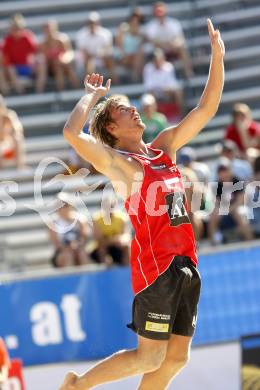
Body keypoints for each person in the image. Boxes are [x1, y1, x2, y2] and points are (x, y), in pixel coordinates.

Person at [60, 19, 224, 390]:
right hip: (157, 267)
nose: (134, 111)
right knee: (150, 356)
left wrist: (218, 56)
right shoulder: (121, 164)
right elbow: (72, 133)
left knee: (177, 358)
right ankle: (77, 385)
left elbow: (206, 109)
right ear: (112, 130)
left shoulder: (163, 147)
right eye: (123, 111)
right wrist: (92, 96)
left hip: (186, 260)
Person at [208, 158, 254, 245]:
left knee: (239, 213)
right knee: (213, 216)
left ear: (230, 170)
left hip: (239, 208)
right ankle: (213, 243)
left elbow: (240, 201)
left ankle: (250, 241)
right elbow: (216, 202)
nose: (223, 173)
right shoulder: (217, 185)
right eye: (221, 171)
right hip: (224, 209)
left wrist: (229, 210)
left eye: (225, 170)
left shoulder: (238, 181)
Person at [144, 1, 193, 79]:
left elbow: (179, 39)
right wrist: (166, 45)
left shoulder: (174, 23)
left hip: (173, 50)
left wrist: (172, 45)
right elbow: (153, 42)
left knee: (182, 49)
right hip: (160, 52)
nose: (160, 14)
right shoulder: (151, 26)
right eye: (158, 12)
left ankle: (189, 73)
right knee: (157, 53)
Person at [2, 14, 46, 94]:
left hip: (27, 67)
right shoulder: (7, 40)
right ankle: (20, 93)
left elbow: (37, 52)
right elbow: (5, 59)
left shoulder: (27, 37)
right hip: (14, 68)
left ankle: (39, 92)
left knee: (42, 64)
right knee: (10, 69)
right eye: (14, 29)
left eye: (18, 28)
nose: (16, 31)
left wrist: (35, 62)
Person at [48, 192, 90, 267]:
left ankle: (86, 277)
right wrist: (68, 248)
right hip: (62, 252)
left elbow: (84, 236)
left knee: (82, 254)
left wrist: (76, 245)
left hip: (78, 249)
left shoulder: (80, 219)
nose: (62, 208)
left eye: (65, 205)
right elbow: (56, 244)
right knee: (68, 255)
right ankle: (71, 278)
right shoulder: (53, 224)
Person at [75, 12, 118, 83]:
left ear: (98, 23)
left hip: (102, 58)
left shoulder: (105, 33)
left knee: (109, 59)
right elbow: (84, 52)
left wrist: (100, 54)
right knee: (88, 62)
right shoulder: (81, 34)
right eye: (90, 22)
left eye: (94, 22)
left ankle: (116, 82)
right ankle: (91, 86)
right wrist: (95, 55)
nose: (92, 24)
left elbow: (107, 49)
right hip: (88, 60)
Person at [39, 20, 79, 91]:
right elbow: (44, 58)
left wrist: (63, 59)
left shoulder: (62, 39)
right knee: (57, 67)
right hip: (51, 67)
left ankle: (75, 87)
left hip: (63, 65)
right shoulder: (43, 43)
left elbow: (69, 53)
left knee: (62, 67)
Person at [89, 197, 130, 266]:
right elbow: (98, 239)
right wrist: (113, 240)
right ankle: (104, 268)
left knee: (126, 246)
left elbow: (126, 236)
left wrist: (117, 240)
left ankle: (127, 268)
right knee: (101, 247)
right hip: (102, 246)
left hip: (117, 245)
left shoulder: (122, 218)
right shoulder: (96, 219)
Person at [114, 8, 145, 82]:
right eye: (134, 16)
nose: (136, 19)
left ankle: (135, 78)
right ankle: (136, 79)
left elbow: (140, 46)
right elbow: (118, 44)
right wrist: (125, 54)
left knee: (140, 53)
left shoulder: (141, 31)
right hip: (122, 56)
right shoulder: (123, 27)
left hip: (134, 57)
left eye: (138, 17)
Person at [0, 94, 26, 170]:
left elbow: (18, 129)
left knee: (17, 138)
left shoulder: (9, 114)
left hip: (8, 146)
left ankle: (20, 167)